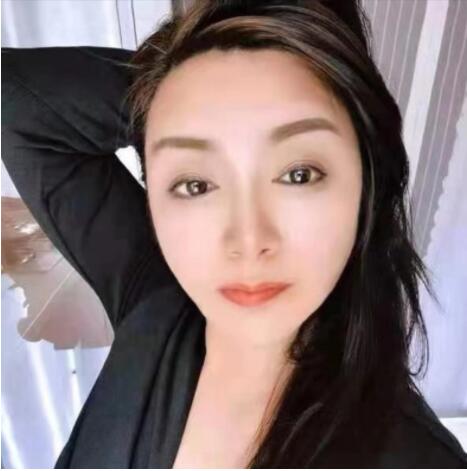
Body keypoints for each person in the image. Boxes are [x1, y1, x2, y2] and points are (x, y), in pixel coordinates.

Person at [2, 0, 467, 468]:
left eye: (299, 174)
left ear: (368, 182)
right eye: (195, 184)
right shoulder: (156, 300)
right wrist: (173, 94)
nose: (248, 242)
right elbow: (14, 100)